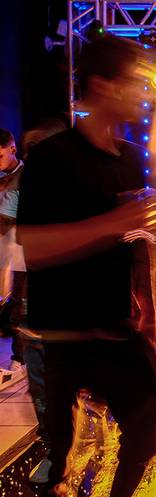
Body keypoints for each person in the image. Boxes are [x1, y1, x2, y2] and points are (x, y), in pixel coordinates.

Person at [16, 35, 156, 497]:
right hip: (62, 331)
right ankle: (57, 486)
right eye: (135, 81)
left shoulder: (131, 157)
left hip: (114, 323)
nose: (145, 91)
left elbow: (134, 239)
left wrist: (146, 297)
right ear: (102, 85)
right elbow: (34, 248)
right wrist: (115, 222)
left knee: (144, 434)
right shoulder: (51, 157)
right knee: (58, 452)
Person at [0, 129, 26, 388]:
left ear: (13, 149)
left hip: (20, 248)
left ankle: (19, 361)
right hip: (4, 248)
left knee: (20, 304)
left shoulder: (26, 176)